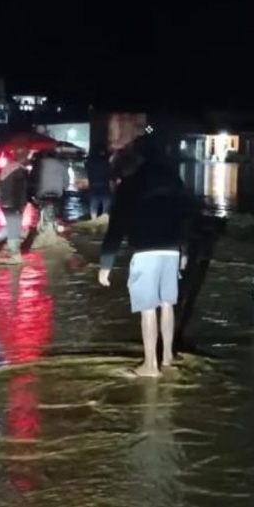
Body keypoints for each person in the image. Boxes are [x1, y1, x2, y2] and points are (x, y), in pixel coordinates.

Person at [97, 135, 192, 378]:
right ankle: (168, 357)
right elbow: (185, 218)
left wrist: (106, 264)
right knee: (167, 304)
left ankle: (150, 366)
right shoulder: (174, 181)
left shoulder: (131, 183)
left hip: (145, 251)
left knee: (148, 308)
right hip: (171, 250)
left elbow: (116, 226)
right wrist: (184, 250)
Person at [32, 150, 69, 235]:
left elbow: (33, 178)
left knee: (39, 205)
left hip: (41, 191)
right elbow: (66, 180)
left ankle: (41, 222)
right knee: (58, 207)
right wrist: (64, 188)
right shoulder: (61, 164)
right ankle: (57, 219)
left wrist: (32, 190)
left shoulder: (39, 163)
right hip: (57, 192)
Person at [86, 148, 113, 219]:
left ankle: (94, 225)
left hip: (94, 187)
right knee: (106, 210)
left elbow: (88, 174)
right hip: (105, 187)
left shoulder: (89, 162)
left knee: (93, 209)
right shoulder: (106, 163)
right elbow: (111, 176)